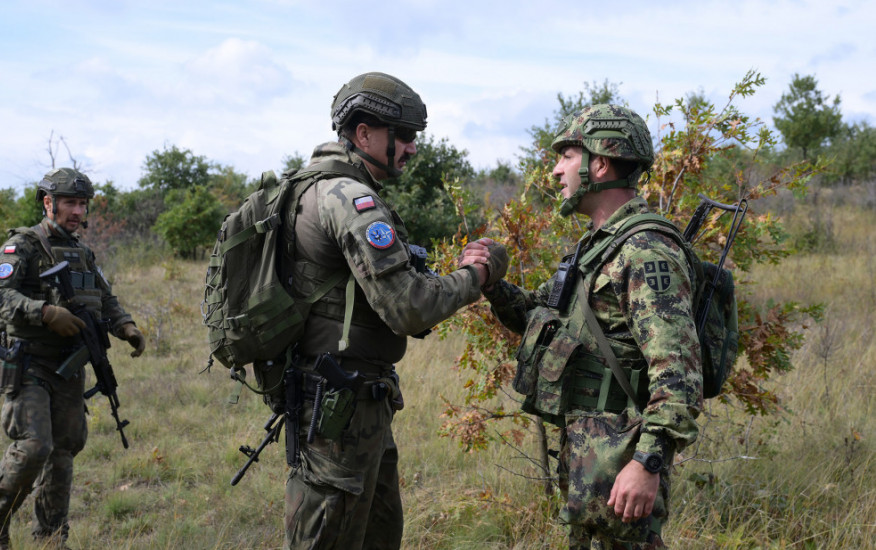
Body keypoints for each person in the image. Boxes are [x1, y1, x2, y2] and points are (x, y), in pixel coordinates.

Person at [460, 104, 703, 549]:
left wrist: (648, 462)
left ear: (600, 162)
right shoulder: (595, 247)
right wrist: (492, 282)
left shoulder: (646, 251)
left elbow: (679, 376)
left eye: (566, 157)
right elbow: (540, 319)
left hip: (624, 461)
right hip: (589, 458)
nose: (555, 171)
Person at [281, 72, 505, 550]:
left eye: (414, 136)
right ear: (363, 133)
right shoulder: (349, 199)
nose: (411, 147)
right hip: (338, 406)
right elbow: (408, 308)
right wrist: (478, 277)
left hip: (352, 401)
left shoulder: (321, 188)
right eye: (402, 135)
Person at [0, 168, 145, 549]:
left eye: (82, 204)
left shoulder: (82, 251)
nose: (77, 211)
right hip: (29, 362)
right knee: (35, 446)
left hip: (69, 366)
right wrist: (44, 312)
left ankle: (51, 537)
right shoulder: (23, 246)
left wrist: (126, 326)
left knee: (64, 450)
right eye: (69, 202)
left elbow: (105, 297)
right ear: (48, 203)